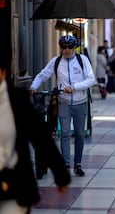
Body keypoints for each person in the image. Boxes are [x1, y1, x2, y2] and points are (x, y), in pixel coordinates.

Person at [0, 54, 71, 213]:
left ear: (3, 72)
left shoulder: (17, 101)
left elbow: (41, 138)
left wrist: (61, 176)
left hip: (14, 187)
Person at [30, 35, 96, 177]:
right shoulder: (56, 62)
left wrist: (74, 87)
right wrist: (33, 87)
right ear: (60, 48)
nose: (67, 50)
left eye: (70, 47)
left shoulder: (82, 60)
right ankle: (65, 164)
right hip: (63, 102)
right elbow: (42, 75)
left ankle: (77, 164)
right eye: (64, 47)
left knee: (79, 134)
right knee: (65, 133)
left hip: (80, 102)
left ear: (74, 47)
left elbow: (91, 79)